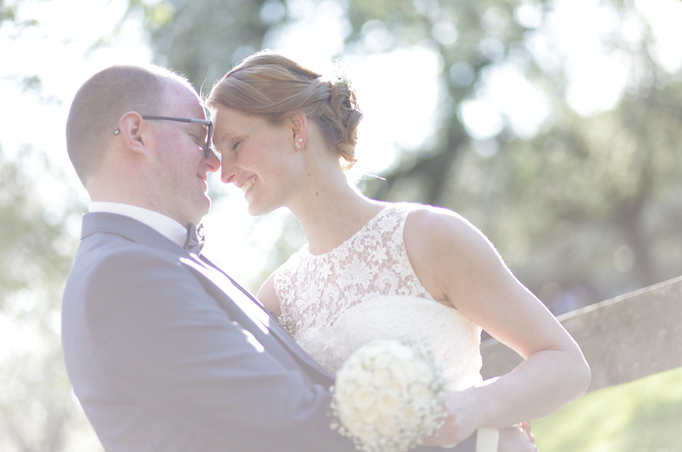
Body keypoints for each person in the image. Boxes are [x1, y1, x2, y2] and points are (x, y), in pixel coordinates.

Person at [61, 64, 535, 452]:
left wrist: (485, 409)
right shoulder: (123, 276)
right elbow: (283, 420)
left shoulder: (150, 261)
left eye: (230, 144)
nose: (214, 165)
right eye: (198, 137)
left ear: (296, 129)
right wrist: (478, 440)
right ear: (135, 134)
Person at [207, 51, 592, 449]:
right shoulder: (276, 298)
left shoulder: (429, 238)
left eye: (235, 144)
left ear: (294, 130)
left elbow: (565, 363)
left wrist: (475, 407)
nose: (225, 172)